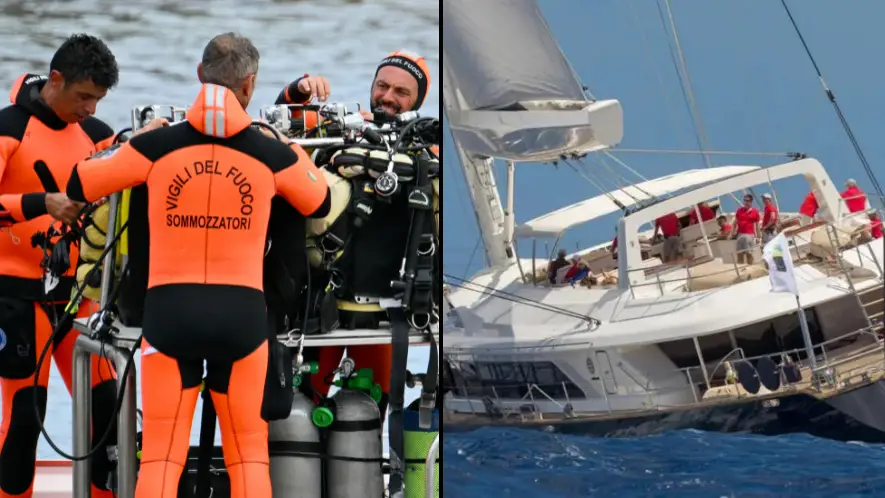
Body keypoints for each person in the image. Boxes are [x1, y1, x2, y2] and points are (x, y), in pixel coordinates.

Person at [65, 32, 331, 498]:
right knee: (248, 456)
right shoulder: (270, 152)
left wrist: (139, 140)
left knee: (162, 457)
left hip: (168, 315)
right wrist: (287, 144)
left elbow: (80, 182)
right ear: (249, 87)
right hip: (243, 318)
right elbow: (319, 200)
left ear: (198, 76)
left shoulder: (156, 147)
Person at [0, 34, 152, 498]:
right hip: (16, 294)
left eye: (98, 99)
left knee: (109, 409)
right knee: (28, 413)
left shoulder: (96, 134)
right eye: (83, 97)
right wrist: (40, 202)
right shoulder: (9, 128)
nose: (89, 108)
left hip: (78, 293)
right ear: (57, 80)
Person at [274, 50, 434, 414]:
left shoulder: (425, 147)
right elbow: (274, 131)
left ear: (418, 100)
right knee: (297, 409)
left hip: (382, 313)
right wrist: (298, 90)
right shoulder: (342, 126)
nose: (388, 97)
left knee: (370, 413)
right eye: (382, 86)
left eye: (401, 92)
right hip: (319, 305)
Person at [731, 193, 761, 265]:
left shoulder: (755, 212)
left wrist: (758, 237)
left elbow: (757, 226)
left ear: (751, 202)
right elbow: (735, 222)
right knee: (740, 253)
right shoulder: (739, 210)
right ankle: (741, 268)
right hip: (740, 235)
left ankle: (751, 267)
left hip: (749, 235)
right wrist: (732, 232)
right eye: (745, 200)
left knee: (749, 253)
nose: (746, 202)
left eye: (747, 201)